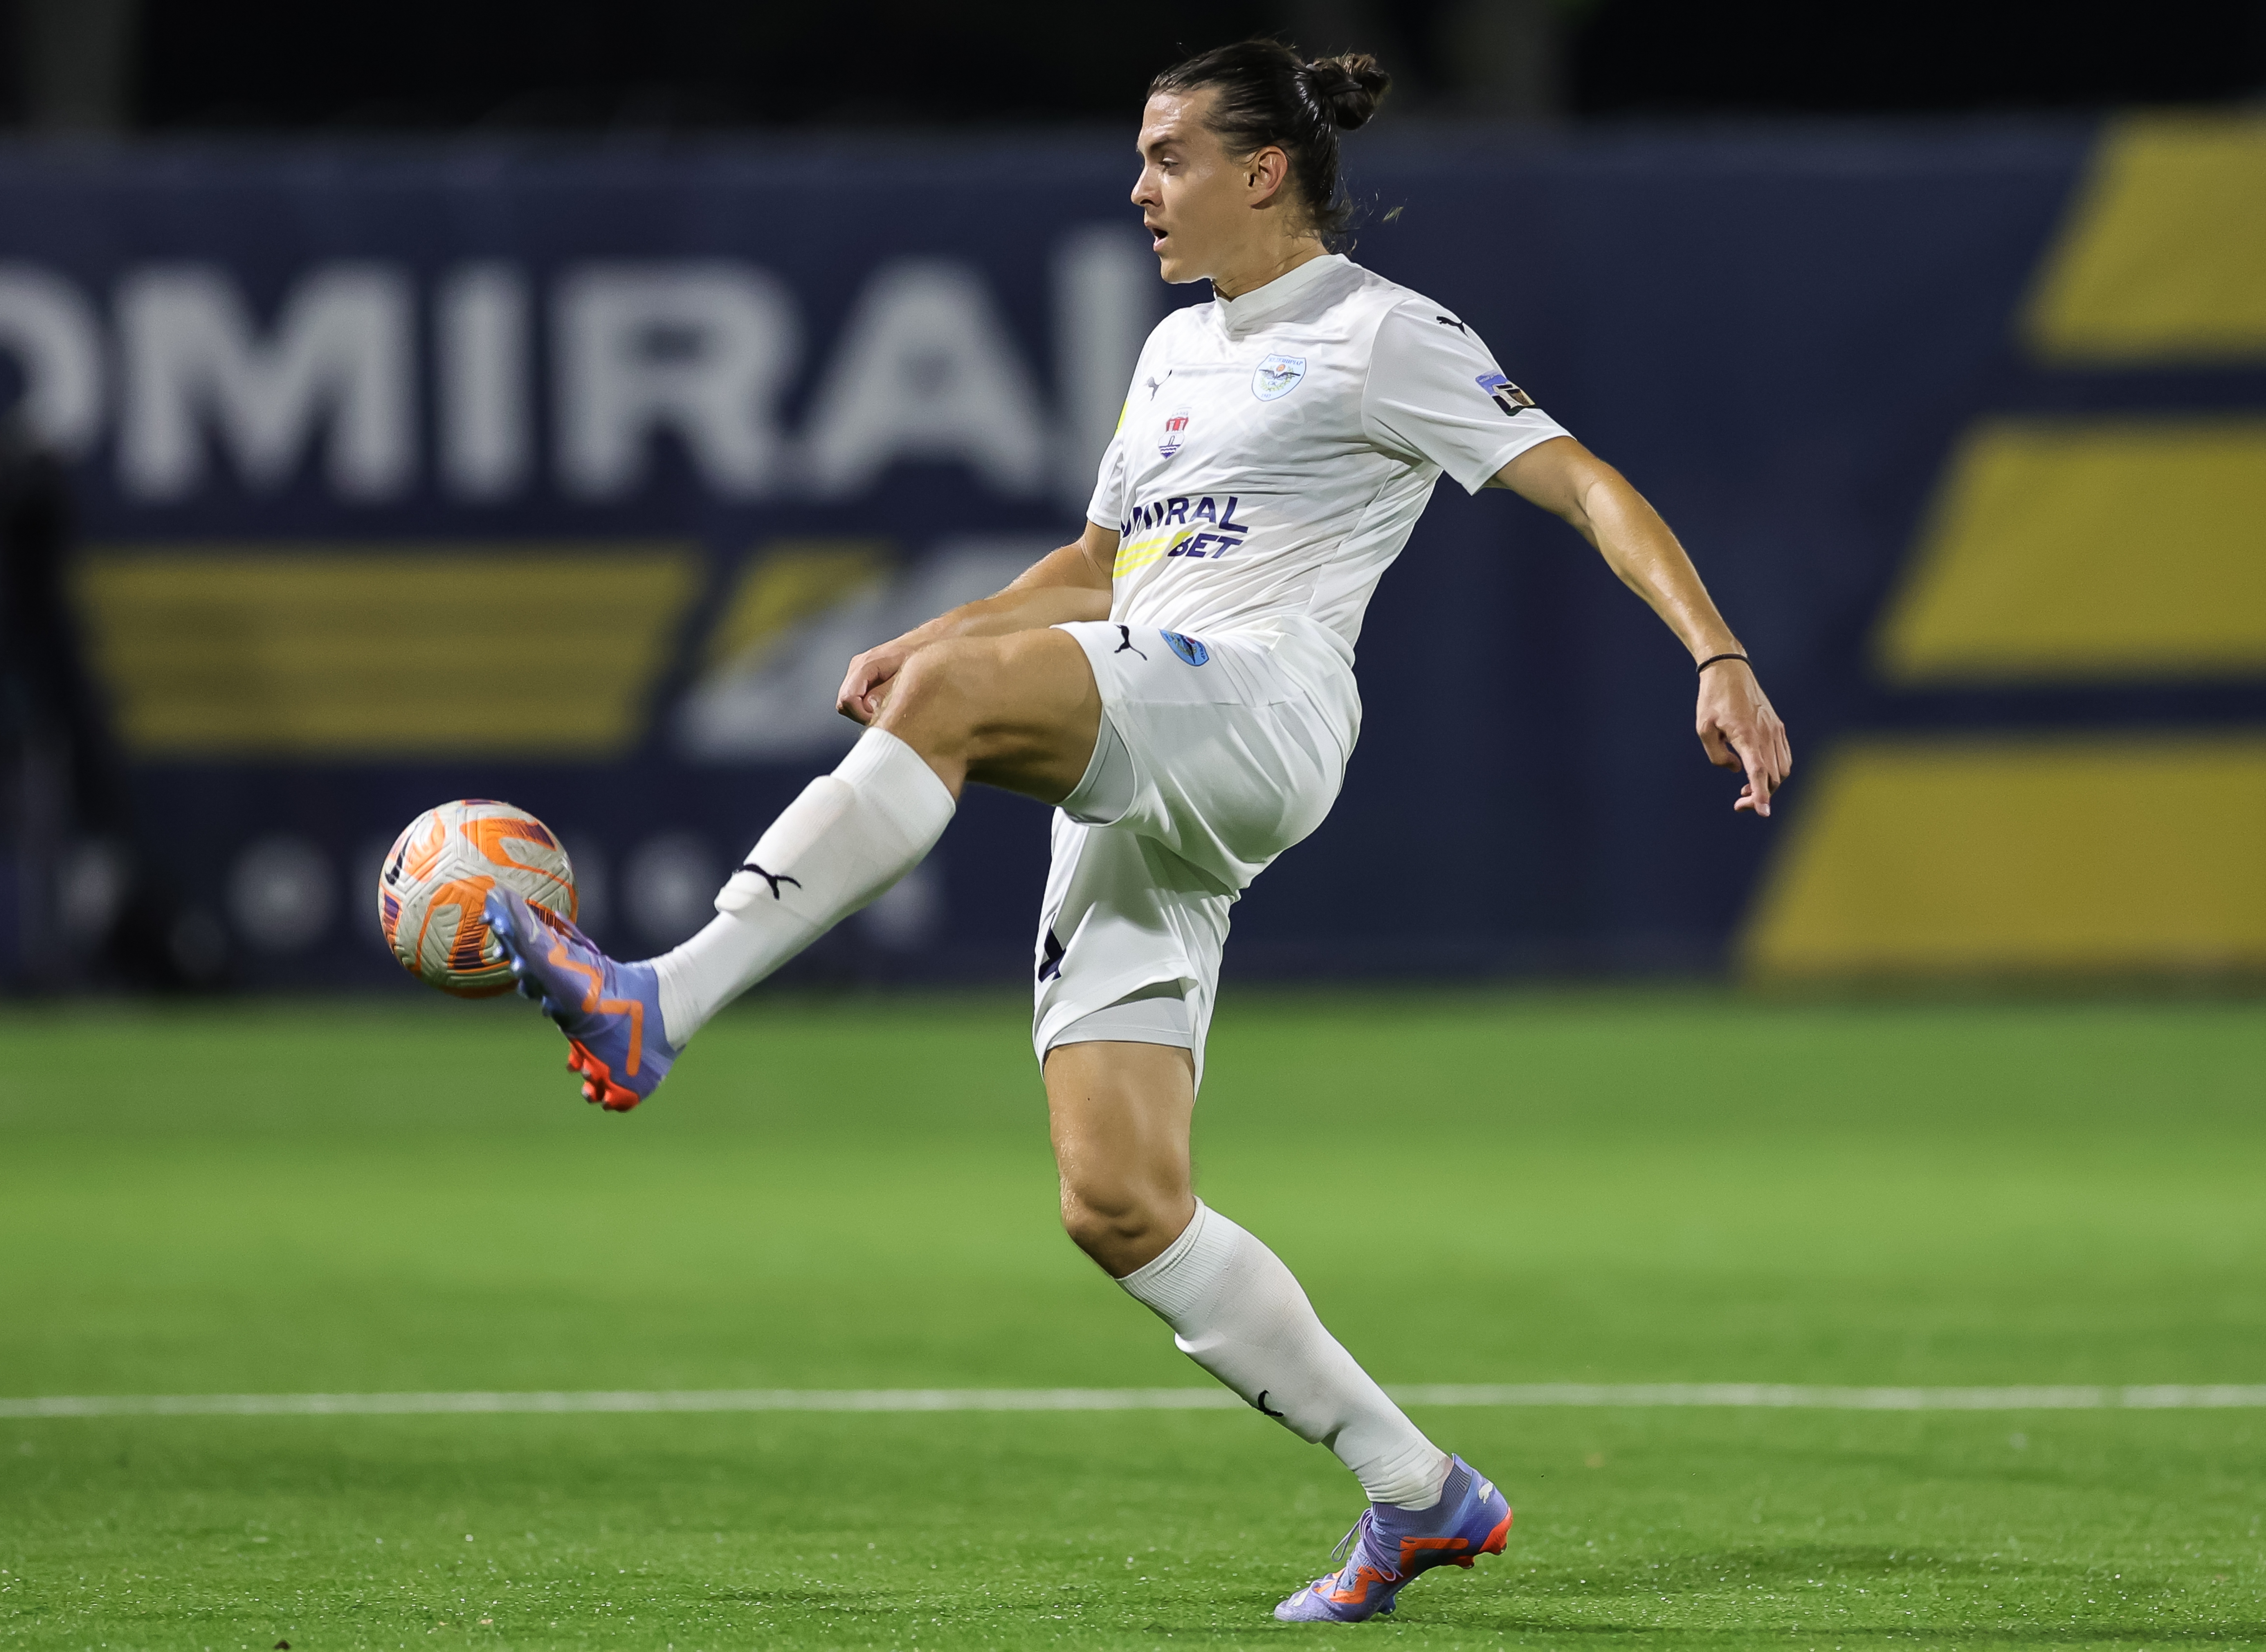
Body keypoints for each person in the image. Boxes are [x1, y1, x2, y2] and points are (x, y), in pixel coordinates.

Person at [487, 38, 1790, 1622]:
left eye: (1169, 154)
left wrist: (1715, 652)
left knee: (964, 707)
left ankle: (664, 996)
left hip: (1259, 707)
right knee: (1117, 1200)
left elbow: (1586, 485)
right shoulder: (1177, 353)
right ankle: (1418, 1492)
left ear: (1266, 172)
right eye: (1138, 152)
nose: (1140, 185)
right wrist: (940, 638)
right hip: (1155, 724)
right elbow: (1106, 566)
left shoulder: (1384, 336)